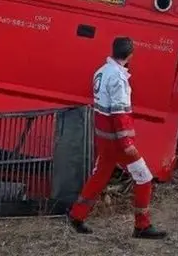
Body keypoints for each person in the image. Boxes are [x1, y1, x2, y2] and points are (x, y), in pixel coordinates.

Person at [68, 37, 166, 239]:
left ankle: (77, 215)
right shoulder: (118, 78)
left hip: (104, 138)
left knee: (100, 176)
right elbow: (120, 113)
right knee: (144, 178)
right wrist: (127, 143)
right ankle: (142, 225)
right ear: (131, 54)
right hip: (117, 141)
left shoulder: (101, 72)